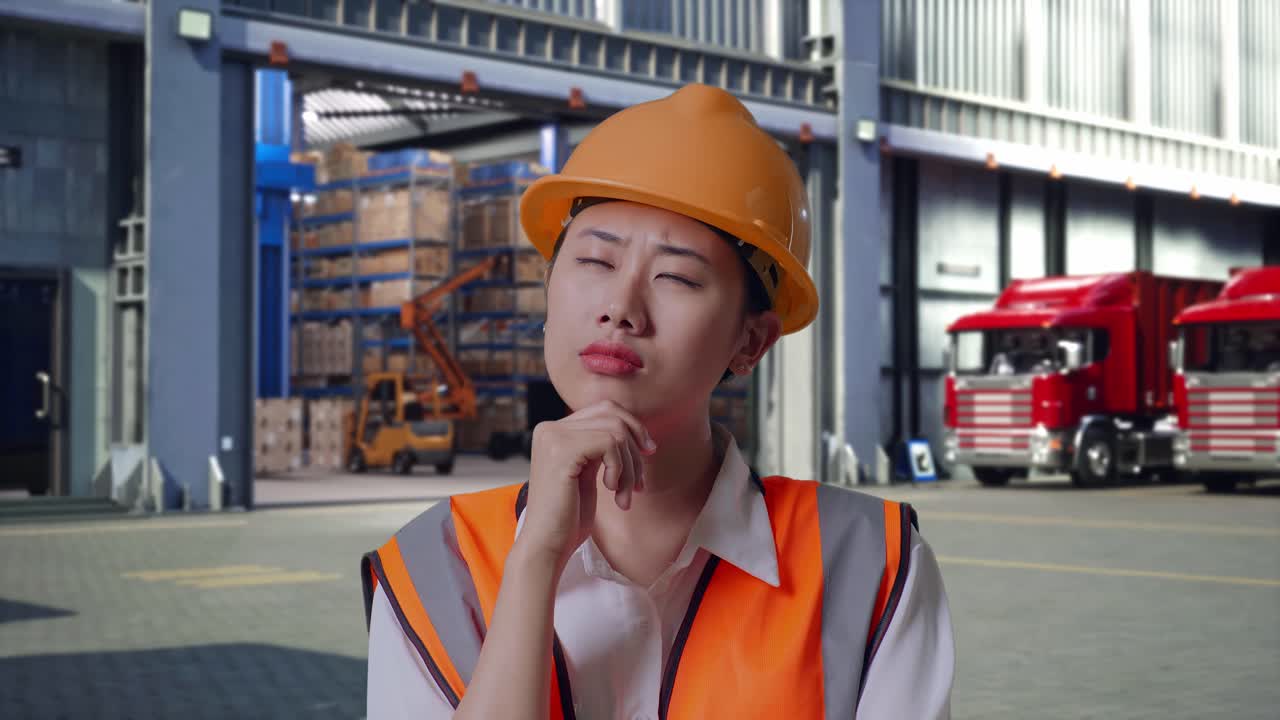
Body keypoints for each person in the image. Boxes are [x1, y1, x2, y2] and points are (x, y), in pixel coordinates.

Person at [362, 83, 955, 719]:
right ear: (549, 290)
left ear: (749, 341)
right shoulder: (434, 566)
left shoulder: (867, 563)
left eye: (675, 276)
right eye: (594, 260)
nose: (621, 307)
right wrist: (536, 559)